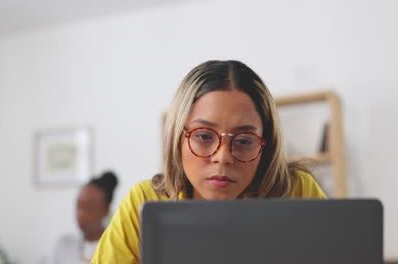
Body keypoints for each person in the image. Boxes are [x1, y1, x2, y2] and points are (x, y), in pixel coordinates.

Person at [91, 60, 326, 264]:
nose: (222, 157)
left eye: (244, 140)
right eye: (203, 136)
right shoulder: (143, 204)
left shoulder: (296, 192)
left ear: (266, 144)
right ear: (177, 138)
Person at [51, 171, 118, 264]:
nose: (81, 214)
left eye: (88, 208)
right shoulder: (64, 245)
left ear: (105, 210)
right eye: (79, 206)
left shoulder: (118, 248)